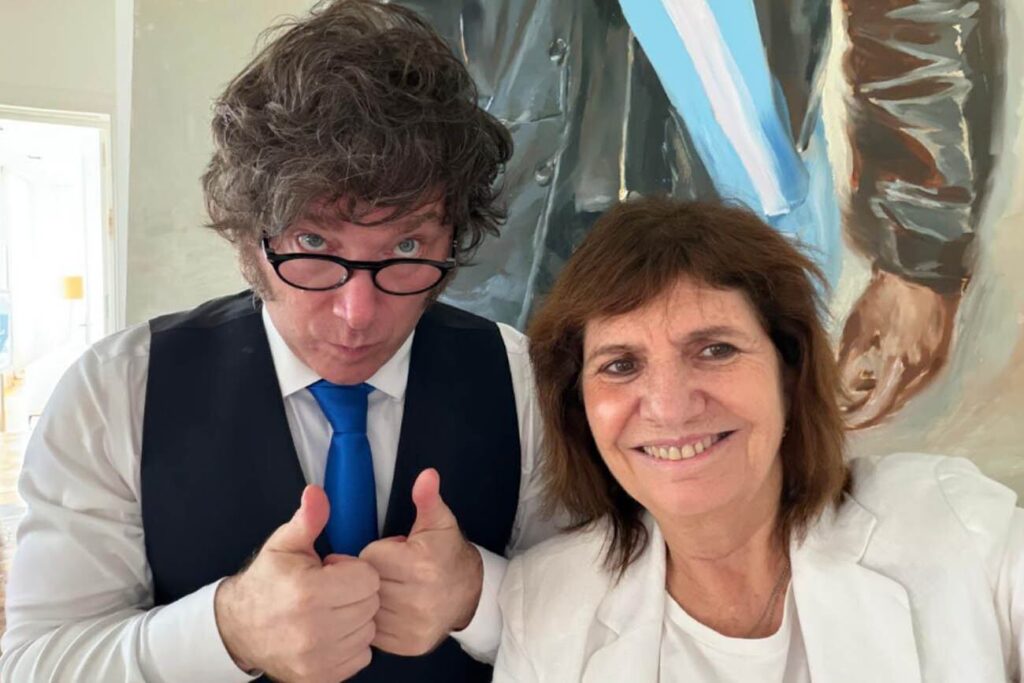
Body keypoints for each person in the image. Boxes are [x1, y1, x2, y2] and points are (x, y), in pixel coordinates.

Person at [0, 2, 555, 681]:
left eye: (408, 246)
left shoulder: (521, 381)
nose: (357, 313)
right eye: (313, 241)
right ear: (249, 238)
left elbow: (612, 625)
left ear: (454, 239)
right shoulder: (114, 391)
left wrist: (482, 597)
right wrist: (225, 630)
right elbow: (37, 664)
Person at [494, 197, 1024, 682]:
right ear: (579, 406)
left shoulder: (956, 526)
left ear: (789, 373)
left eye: (715, 350)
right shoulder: (543, 610)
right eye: (621, 365)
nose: (669, 406)